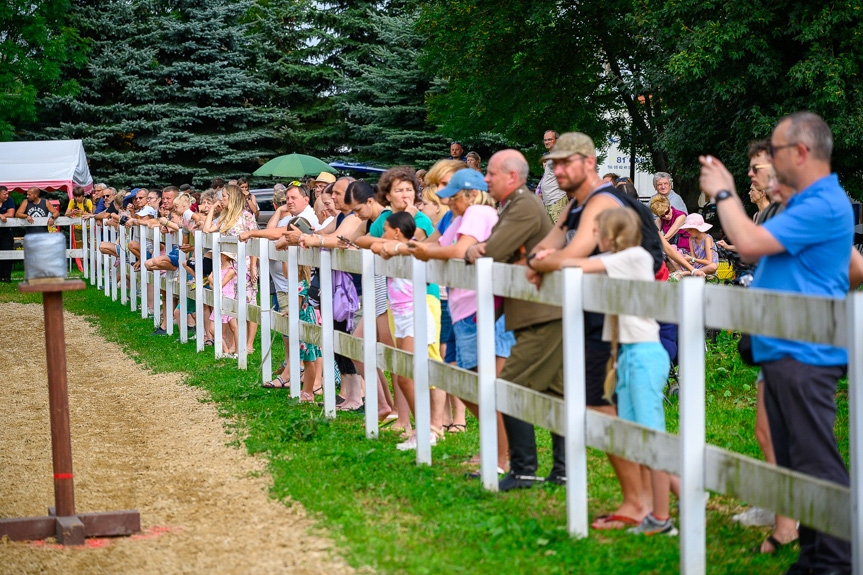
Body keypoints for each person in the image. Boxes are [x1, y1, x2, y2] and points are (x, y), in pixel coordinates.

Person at [699, 111, 852, 575]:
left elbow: (746, 243)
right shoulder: (811, 202)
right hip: (785, 350)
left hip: (804, 352)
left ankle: (835, 562)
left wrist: (723, 190)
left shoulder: (822, 202)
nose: (770, 160)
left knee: (815, 461)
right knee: (794, 460)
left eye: (777, 151)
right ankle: (813, 556)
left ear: (800, 153)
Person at [526, 132, 664, 528]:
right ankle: (657, 496)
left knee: (604, 408)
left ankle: (640, 503)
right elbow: (544, 248)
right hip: (601, 319)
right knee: (609, 410)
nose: (558, 169)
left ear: (589, 162)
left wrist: (543, 263)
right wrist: (542, 261)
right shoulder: (577, 204)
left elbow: (569, 255)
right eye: (554, 163)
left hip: (622, 324)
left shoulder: (602, 201)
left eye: (566, 162)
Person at [559, 207, 675, 536]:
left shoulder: (633, 256)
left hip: (644, 355)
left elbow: (575, 265)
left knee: (651, 435)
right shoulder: (621, 261)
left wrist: (543, 261)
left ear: (609, 235)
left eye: (597, 233)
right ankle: (655, 509)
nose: (593, 240)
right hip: (628, 355)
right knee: (633, 435)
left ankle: (662, 518)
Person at [463, 149, 565, 491]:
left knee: (507, 386)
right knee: (556, 393)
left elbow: (493, 250)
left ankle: (523, 469)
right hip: (535, 310)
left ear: (512, 176)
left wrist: (474, 249)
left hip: (541, 312)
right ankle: (562, 470)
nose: (485, 178)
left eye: (491, 173)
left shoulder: (522, 204)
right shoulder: (514, 204)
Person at [407, 167, 514, 471]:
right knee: (466, 383)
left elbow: (458, 250)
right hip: (464, 309)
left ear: (469, 194)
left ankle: (501, 457)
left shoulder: (478, 213)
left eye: (451, 196)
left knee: (482, 385)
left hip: (483, 308)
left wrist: (420, 252)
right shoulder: (459, 217)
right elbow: (436, 244)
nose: (447, 202)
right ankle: (494, 450)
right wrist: (411, 247)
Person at [536, 130, 569, 224]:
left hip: (557, 200)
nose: (546, 142)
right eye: (545, 140)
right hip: (549, 201)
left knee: (559, 233)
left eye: (549, 139)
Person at [0, 186, 15, 281]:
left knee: (8, 253)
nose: (7, 195)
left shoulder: (10, 201)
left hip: (6, 232)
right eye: (4, 194)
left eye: (7, 193)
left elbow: (11, 214)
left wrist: (2, 215)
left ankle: (7, 276)